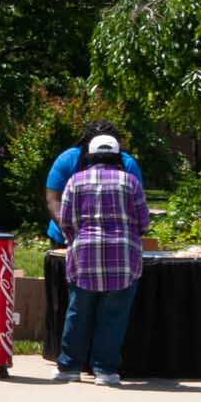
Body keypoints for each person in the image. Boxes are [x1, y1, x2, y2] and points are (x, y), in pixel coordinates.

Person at [55, 133, 150, 386]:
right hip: (123, 258)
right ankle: (105, 371)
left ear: (90, 156)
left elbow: (66, 221)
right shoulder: (130, 182)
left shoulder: (75, 181)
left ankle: (69, 367)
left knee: (78, 313)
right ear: (117, 157)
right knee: (113, 317)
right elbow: (144, 222)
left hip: (85, 256)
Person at [44, 123, 145, 245]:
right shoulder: (68, 160)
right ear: (87, 144)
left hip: (115, 239)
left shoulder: (128, 164)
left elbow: (136, 206)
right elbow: (53, 200)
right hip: (64, 236)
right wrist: (68, 232)